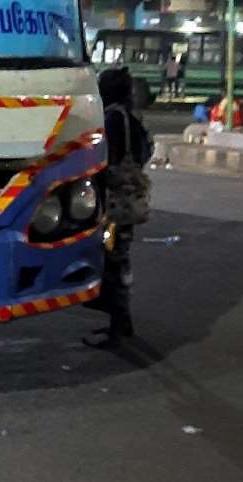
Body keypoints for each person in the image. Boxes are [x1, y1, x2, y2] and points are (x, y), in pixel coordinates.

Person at [85, 65, 153, 349]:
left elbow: (104, 158)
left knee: (113, 260)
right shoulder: (132, 117)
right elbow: (145, 151)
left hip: (115, 203)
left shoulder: (113, 117)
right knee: (117, 258)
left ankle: (119, 327)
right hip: (127, 200)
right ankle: (120, 323)